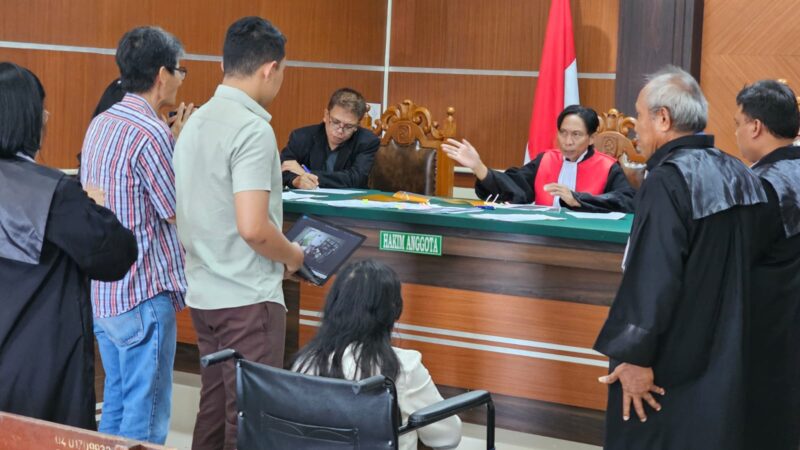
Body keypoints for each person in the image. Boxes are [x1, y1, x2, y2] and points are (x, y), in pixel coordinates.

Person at [592, 66, 767, 450]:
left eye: (639, 115)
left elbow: (653, 276)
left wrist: (635, 357)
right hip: (725, 351)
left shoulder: (668, 180)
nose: (634, 127)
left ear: (663, 119)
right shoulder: (738, 171)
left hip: (668, 362)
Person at [173, 16, 304, 450]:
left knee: (214, 412)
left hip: (204, 295)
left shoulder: (195, 123)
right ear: (270, 68)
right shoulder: (252, 129)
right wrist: (293, 256)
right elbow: (253, 227)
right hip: (247, 297)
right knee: (250, 418)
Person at [0, 62, 137, 429]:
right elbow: (118, 254)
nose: (47, 118)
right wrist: (94, 207)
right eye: (42, 109)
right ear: (25, 118)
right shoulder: (53, 193)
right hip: (35, 372)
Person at [79, 26, 194, 444]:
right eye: (180, 71)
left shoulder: (101, 123)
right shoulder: (151, 132)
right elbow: (176, 212)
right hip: (142, 294)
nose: (181, 79)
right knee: (145, 422)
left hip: (105, 296)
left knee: (115, 404)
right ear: (162, 74)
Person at [293, 259, 462, 450]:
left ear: (333, 304)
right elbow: (447, 437)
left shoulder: (305, 362)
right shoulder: (403, 367)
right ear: (393, 310)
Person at [733, 80, 800, 450]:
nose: (738, 133)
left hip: (769, 322)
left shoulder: (762, 184)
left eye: (738, 123)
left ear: (755, 126)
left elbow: (739, 255)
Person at [442, 104, 635, 213]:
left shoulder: (608, 167)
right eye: (563, 133)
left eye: (576, 135)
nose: (568, 141)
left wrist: (578, 199)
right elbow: (515, 187)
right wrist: (479, 167)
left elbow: (626, 201)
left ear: (592, 138)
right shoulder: (546, 160)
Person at [280, 87, 380, 189]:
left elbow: (356, 179)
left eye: (349, 126)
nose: (340, 131)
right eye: (336, 122)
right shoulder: (301, 137)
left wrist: (307, 174)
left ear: (357, 125)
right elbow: (283, 168)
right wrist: (295, 181)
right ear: (326, 115)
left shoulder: (367, 141)